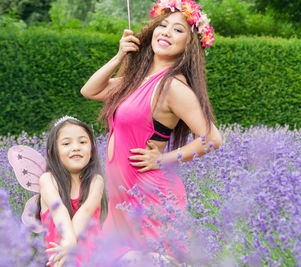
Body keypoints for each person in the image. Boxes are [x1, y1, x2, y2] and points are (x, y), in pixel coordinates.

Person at [80, 0, 222, 262]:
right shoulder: (137, 81)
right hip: (121, 200)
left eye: (178, 30)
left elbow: (213, 139)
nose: (167, 32)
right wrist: (121, 55)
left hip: (148, 199)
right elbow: (90, 91)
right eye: (163, 25)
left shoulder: (173, 87)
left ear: (188, 45)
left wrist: (162, 159)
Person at [39, 116, 108, 266]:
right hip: (61, 259)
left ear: (92, 149)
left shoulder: (96, 181)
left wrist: (69, 243)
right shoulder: (48, 180)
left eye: (83, 142)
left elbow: (86, 211)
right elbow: (59, 211)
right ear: (52, 152)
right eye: (66, 143)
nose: (76, 147)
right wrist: (68, 241)